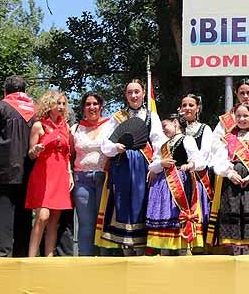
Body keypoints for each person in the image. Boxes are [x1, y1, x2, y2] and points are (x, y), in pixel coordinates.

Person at [96, 79, 166, 254]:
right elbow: (105, 141)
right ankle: (125, 247)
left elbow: (159, 142)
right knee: (122, 202)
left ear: (143, 93)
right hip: (122, 164)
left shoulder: (152, 116)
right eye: (130, 92)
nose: (134, 95)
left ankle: (142, 249)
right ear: (125, 95)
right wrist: (115, 147)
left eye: (137, 91)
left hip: (143, 166)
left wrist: (156, 166)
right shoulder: (117, 117)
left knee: (143, 202)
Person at [0, 75, 36, 257]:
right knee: (24, 217)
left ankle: (1, 257)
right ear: (25, 91)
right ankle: (22, 256)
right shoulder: (36, 111)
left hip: (3, 171)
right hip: (29, 170)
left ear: (5, 91)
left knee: (2, 216)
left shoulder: (1, 107)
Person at [207, 102, 249, 254]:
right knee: (232, 210)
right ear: (234, 117)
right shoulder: (228, 138)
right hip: (231, 180)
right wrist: (229, 173)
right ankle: (235, 251)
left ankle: (247, 252)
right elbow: (219, 158)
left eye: (245, 116)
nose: (242, 119)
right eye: (239, 116)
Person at [146, 113, 205, 254]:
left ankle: (182, 248)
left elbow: (199, 161)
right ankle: (165, 248)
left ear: (175, 123)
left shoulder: (187, 139)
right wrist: (161, 163)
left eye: (165, 126)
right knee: (165, 214)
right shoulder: (164, 145)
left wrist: (190, 164)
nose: (163, 130)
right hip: (164, 185)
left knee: (177, 214)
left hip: (181, 182)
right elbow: (152, 166)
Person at [25, 91, 74, 257]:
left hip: (61, 172)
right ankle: (31, 258)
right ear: (49, 105)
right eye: (57, 103)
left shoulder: (66, 127)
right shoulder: (39, 126)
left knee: (54, 219)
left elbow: (67, 154)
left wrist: (70, 173)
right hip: (44, 172)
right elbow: (30, 154)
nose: (60, 107)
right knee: (42, 216)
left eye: (63, 104)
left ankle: (49, 257)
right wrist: (36, 149)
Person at [71, 92, 111, 256]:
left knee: (104, 222)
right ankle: (84, 259)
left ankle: (106, 261)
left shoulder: (111, 125)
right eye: (88, 104)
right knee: (86, 223)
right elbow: (69, 155)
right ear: (83, 108)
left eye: (95, 104)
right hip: (81, 179)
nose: (92, 107)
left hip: (105, 178)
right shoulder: (75, 128)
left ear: (101, 106)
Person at [179, 93, 214, 224]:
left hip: (198, 176)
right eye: (184, 105)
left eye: (191, 105)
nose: (187, 108)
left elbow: (205, 153)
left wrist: (192, 165)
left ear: (198, 108)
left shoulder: (205, 129)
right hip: (178, 175)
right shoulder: (176, 129)